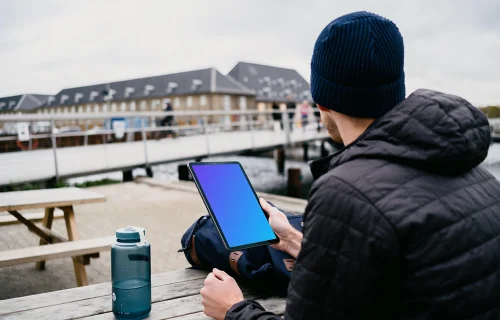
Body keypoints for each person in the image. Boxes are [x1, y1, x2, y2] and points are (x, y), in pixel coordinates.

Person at [200, 11, 500, 320]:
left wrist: (233, 309)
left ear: (321, 102)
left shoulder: (346, 192)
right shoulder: (480, 178)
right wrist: (291, 239)